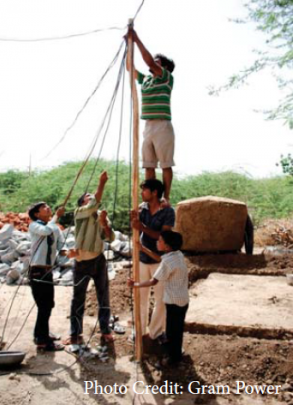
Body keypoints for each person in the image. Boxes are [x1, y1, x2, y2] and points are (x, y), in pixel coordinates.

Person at [63, 171, 115, 346]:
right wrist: (101, 183)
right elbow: (93, 205)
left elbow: (109, 237)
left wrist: (105, 224)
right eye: (87, 196)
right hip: (82, 262)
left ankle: (105, 330)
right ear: (82, 203)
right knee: (78, 298)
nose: (91, 196)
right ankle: (75, 333)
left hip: (98, 260)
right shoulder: (80, 212)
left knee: (104, 296)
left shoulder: (99, 214)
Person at [126, 28, 175, 203]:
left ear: (165, 67)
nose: (152, 63)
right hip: (148, 126)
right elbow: (130, 68)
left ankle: (166, 197)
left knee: (166, 164)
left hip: (162, 125)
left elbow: (147, 60)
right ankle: (150, 197)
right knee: (148, 165)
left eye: (157, 62)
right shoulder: (147, 79)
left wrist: (136, 39)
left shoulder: (166, 77)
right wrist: (128, 45)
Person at [128, 230, 189, 366]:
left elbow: (153, 281)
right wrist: (143, 249)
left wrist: (135, 284)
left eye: (160, 240)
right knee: (177, 330)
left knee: (172, 332)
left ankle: (173, 359)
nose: (157, 241)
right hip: (183, 300)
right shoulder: (177, 255)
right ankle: (176, 353)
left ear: (166, 246)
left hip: (173, 302)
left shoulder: (167, 262)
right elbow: (160, 259)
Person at [131, 179, 175, 341]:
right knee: (140, 297)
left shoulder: (168, 212)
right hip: (143, 260)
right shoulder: (142, 209)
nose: (141, 193)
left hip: (160, 260)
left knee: (161, 299)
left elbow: (163, 236)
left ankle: (155, 332)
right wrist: (134, 221)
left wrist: (141, 227)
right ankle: (140, 331)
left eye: (145, 190)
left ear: (155, 192)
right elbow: (135, 226)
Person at [28, 202, 67, 351]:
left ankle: (41, 333)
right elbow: (45, 231)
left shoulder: (54, 228)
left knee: (48, 304)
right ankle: (42, 340)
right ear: (37, 214)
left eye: (47, 206)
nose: (48, 208)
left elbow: (61, 246)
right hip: (37, 270)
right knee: (43, 305)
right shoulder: (34, 226)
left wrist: (69, 252)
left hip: (47, 271)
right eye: (43, 207)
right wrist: (57, 216)